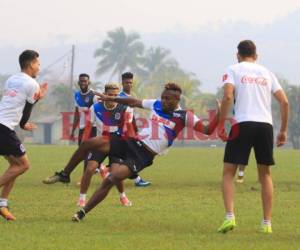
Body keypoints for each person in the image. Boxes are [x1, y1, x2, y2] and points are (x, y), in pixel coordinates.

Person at [64, 83, 219, 221]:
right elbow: (133, 102)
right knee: (89, 143)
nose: (164, 101)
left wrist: (219, 113)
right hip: (131, 143)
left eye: (168, 99)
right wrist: (110, 98)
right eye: (163, 97)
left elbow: (207, 130)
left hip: (142, 156)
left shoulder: (185, 116)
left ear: (177, 100)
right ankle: (64, 174)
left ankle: (83, 212)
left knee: (111, 179)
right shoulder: (155, 104)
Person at [217, 40, 289, 233]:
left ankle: (230, 217)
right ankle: (267, 223)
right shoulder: (267, 73)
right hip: (265, 126)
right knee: (265, 174)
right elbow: (284, 102)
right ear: (256, 56)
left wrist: (222, 123)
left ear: (237, 55)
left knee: (228, 172)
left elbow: (228, 97)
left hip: (242, 124)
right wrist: (282, 130)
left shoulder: (233, 69)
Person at [0, 50, 48, 220]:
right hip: (4, 128)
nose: (39, 68)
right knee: (24, 165)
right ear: (30, 64)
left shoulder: (11, 79)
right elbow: (26, 111)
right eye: (38, 64)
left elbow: (14, 102)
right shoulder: (32, 84)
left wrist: (35, 99)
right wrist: (23, 123)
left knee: (14, 166)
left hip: (3, 126)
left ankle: (3, 204)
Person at [77, 83, 133, 207]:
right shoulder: (95, 107)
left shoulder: (125, 108)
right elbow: (87, 128)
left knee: (116, 173)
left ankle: (122, 196)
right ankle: (82, 198)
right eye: (110, 95)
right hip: (100, 144)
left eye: (115, 95)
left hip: (117, 145)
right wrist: (84, 145)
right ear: (105, 94)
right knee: (90, 169)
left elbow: (126, 128)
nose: (112, 98)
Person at [43, 73, 97, 185]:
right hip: (82, 128)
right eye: (81, 81)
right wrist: (73, 131)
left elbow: (98, 112)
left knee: (86, 153)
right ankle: (97, 169)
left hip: (92, 127)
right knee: (82, 153)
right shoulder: (77, 95)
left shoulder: (94, 96)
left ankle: (84, 178)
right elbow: (77, 113)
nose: (83, 83)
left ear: (89, 82)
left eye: (85, 81)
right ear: (78, 83)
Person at [99, 72, 151, 187]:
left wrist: (136, 131)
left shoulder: (131, 98)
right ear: (122, 83)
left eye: (131, 82)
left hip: (129, 132)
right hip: (121, 134)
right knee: (131, 157)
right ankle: (135, 179)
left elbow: (131, 117)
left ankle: (106, 169)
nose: (129, 84)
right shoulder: (119, 98)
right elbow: (118, 117)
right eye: (127, 82)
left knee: (125, 158)